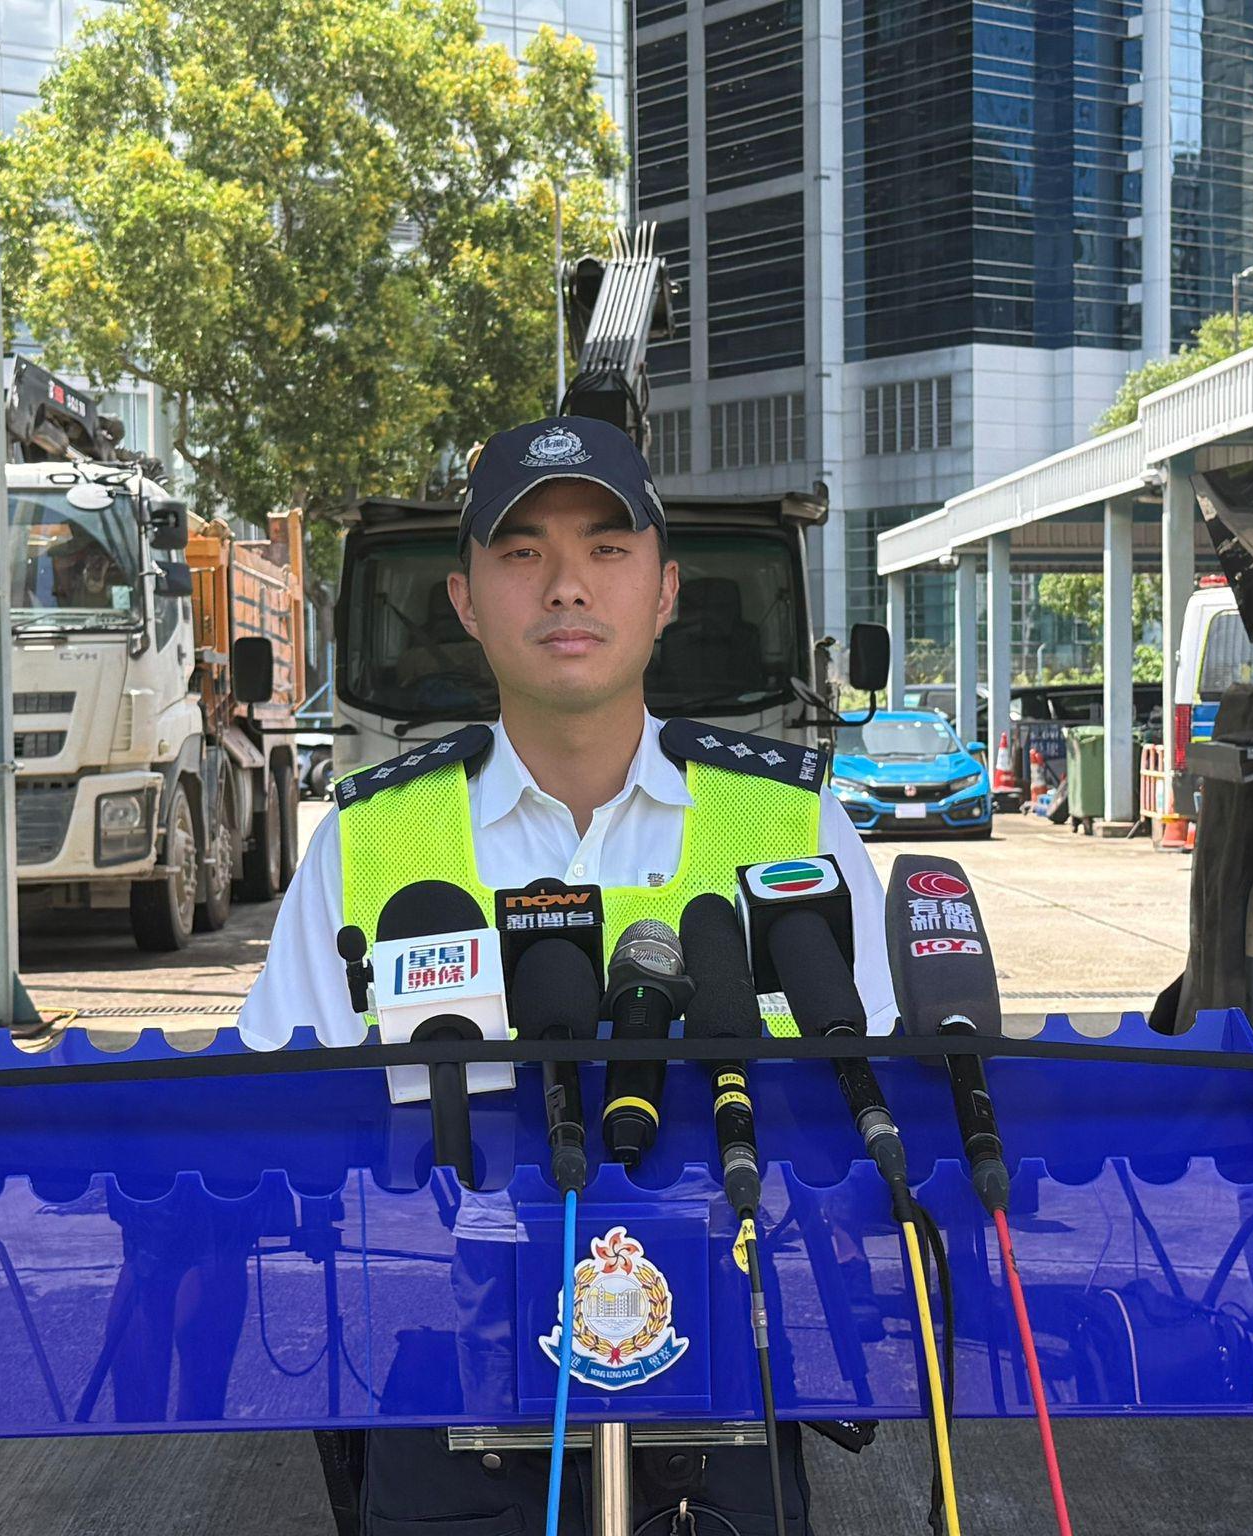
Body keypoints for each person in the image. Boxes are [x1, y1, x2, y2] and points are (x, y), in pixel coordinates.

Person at [239, 415, 894, 1534]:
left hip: (726, 1386)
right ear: (464, 599)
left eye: (605, 548)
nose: (565, 585)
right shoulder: (367, 843)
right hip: (447, 1397)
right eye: (521, 552)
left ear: (665, 590)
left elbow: (874, 1098)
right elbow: (275, 1125)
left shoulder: (792, 824)